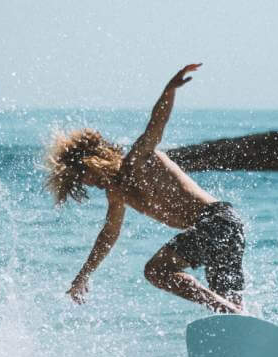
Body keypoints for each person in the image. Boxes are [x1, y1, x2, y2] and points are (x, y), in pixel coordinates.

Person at [45, 63, 244, 314]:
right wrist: (84, 275)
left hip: (216, 221)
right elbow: (108, 236)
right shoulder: (117, 193)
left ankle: (232, 312)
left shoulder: (138, 159)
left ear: (97, 160)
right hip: (225, 226)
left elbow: (156, 126)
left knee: (157, 270)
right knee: (229, 306)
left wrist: (169, 90)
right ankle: (243, 326)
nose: (91, 184)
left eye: (88, 176)